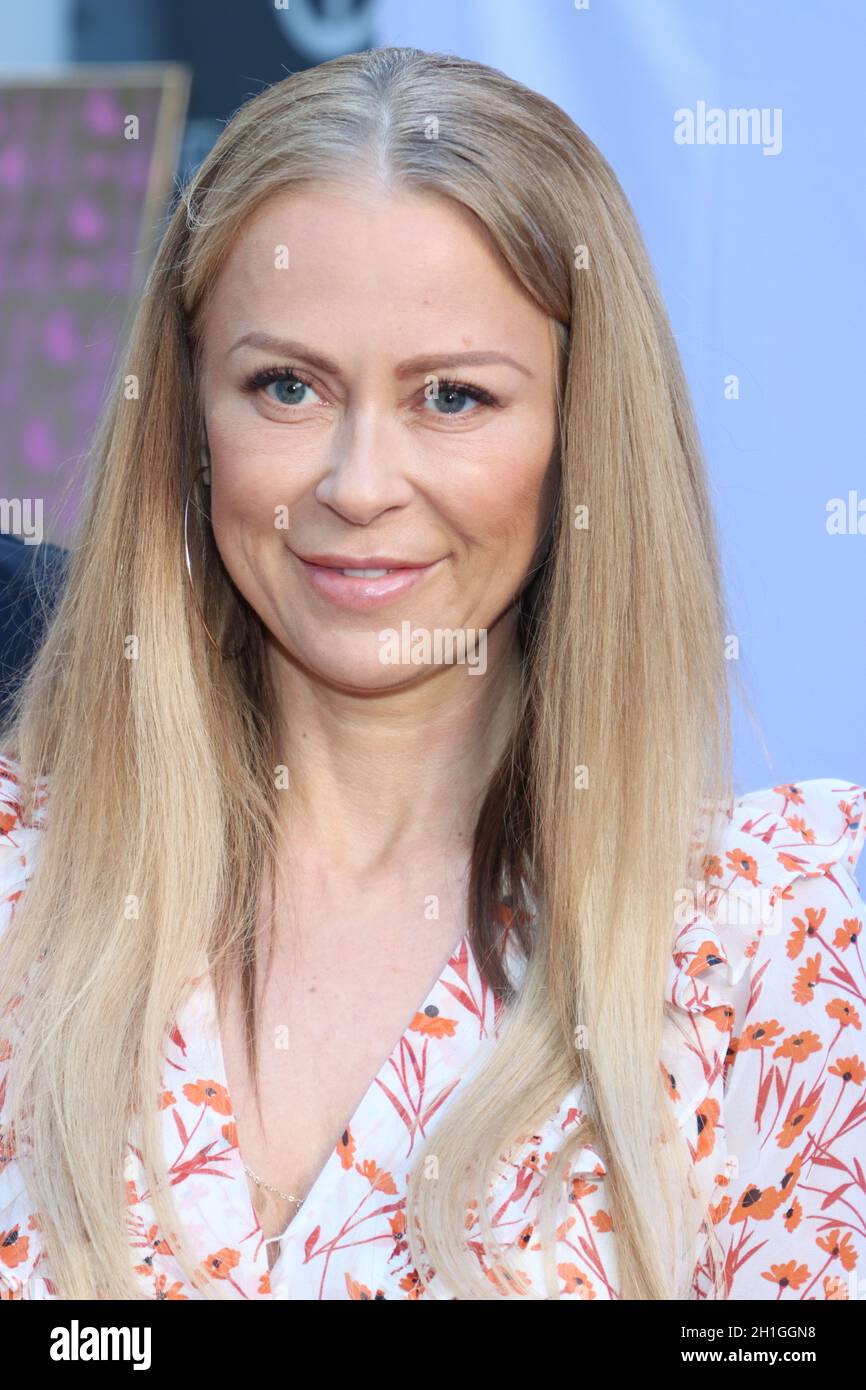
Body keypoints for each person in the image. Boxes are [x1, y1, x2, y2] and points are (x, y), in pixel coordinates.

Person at [0, 45, 863, 1302]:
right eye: (284, 386)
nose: (356, 483)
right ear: (186, 423)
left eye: (452, 398)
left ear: (580, 437)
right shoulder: (23, 872)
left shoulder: (774, 936)